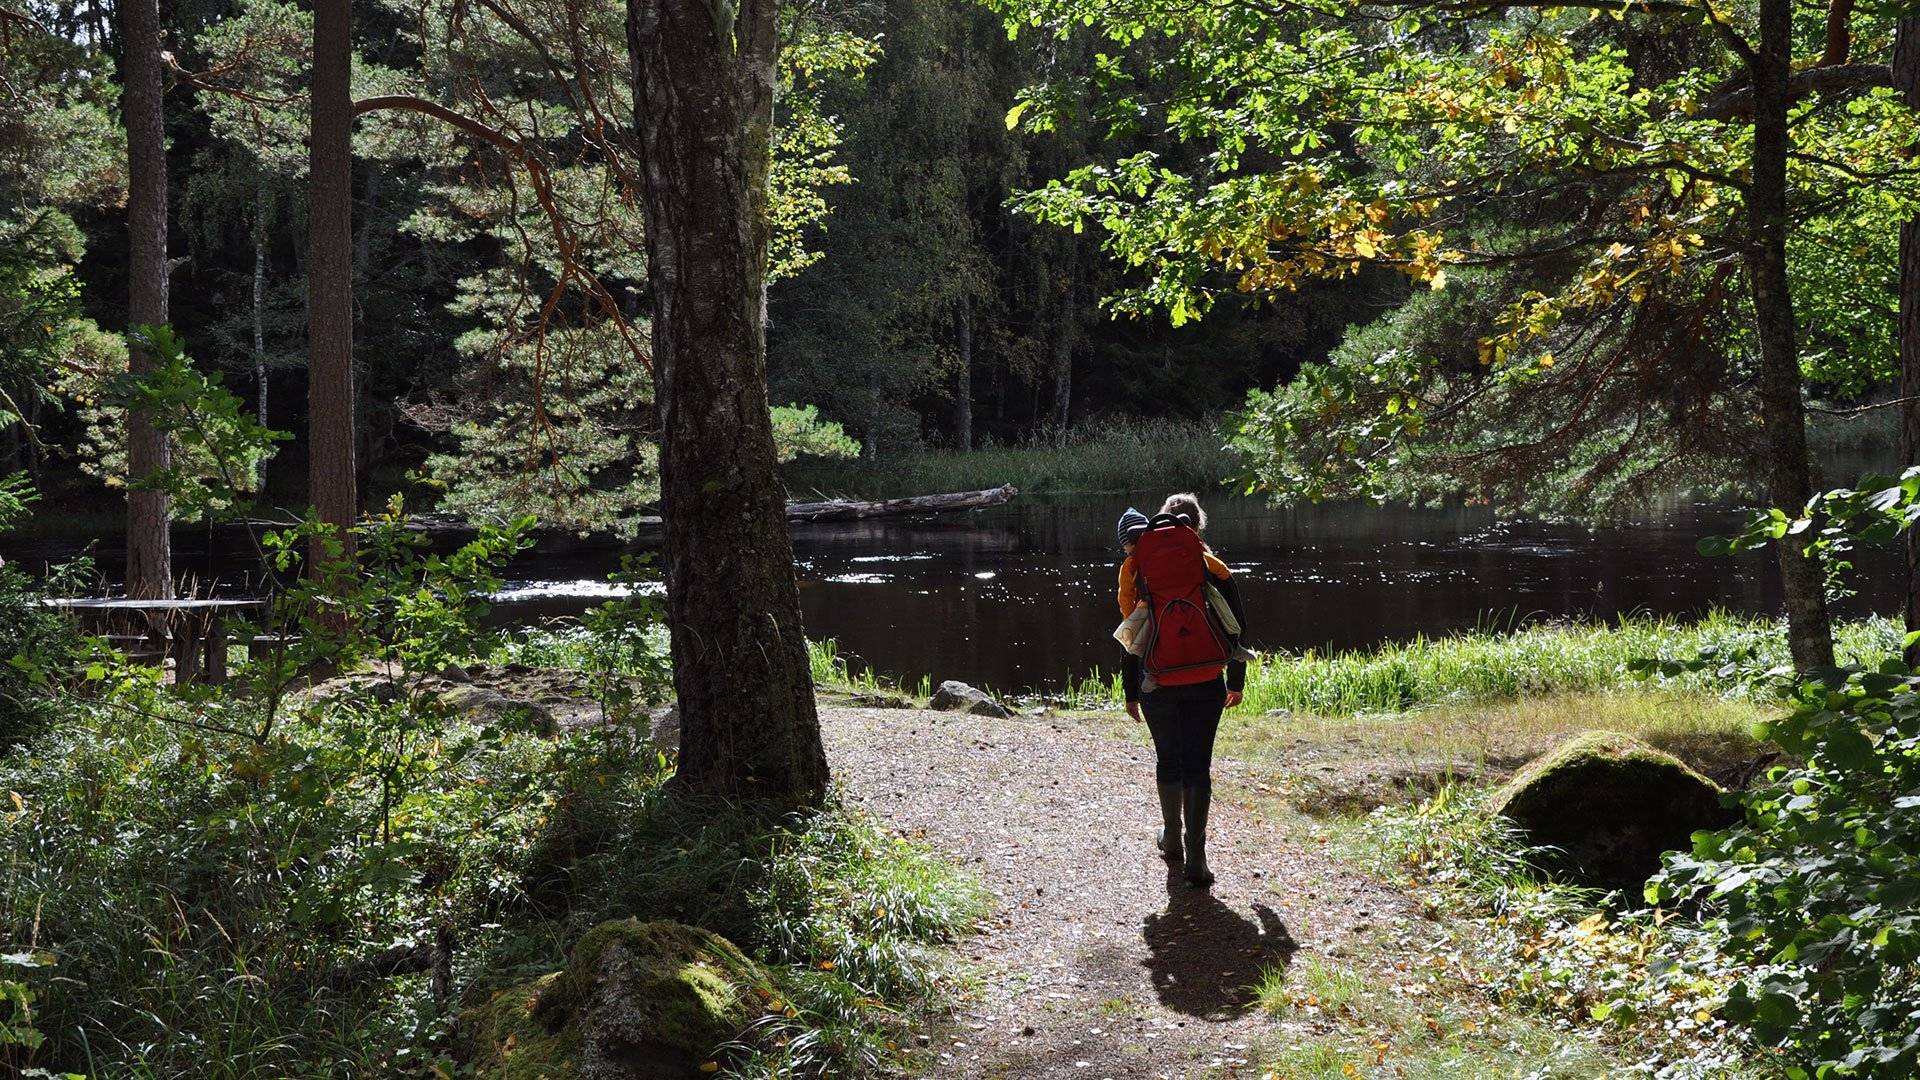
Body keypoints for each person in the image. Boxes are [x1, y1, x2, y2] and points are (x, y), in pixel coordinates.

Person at [1115, 493, 1247, 886]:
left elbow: (1132, 633)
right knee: (1198, 766)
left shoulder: (1137, 567)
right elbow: (1237, 624)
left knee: (1168, 760)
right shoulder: (1209, 564)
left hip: (1157, 681)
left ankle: (1172, 839)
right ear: (1195, 526)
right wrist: (1236, 681)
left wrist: (1131, 692)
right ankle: (1197, 859)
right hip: (1206, 680)